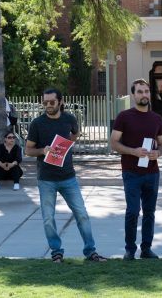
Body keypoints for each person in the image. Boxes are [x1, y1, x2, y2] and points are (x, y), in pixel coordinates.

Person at [25, 88, 106, 263]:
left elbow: (75, 134)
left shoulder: (69, 119)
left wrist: (66, 145)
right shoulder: (37, 123)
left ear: (60, 102)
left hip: (68, 177)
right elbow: (28, 150)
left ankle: (90, 251)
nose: (48, 105)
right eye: (44, 102)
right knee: (48, 218)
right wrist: (42, 150)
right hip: (46, 178)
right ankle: (56, 252)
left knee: (82, 214)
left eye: (51, 102)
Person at [111, 78, 162, 260]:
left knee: (149, 212)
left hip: (152, 173)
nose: (144, 95)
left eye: (146, 91)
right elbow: (114, 143)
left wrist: (157, 154)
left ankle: (146, 249)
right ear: (133, 95)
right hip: (131, 172)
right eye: (140, 92)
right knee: (133, 211)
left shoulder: (156, 119)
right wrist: (133, 152)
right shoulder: (124, 117)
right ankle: (129, 249)